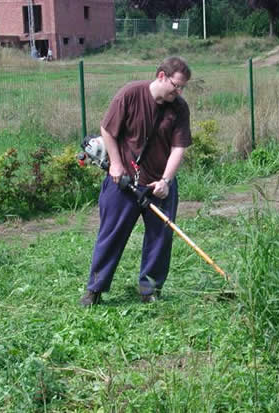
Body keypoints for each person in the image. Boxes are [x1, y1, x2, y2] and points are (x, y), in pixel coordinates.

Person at [80, 56, 192, 306]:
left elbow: (178, 148)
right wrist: (117, 165)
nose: (179, 91)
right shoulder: (130, 94)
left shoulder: (179, 108)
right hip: (123, 183)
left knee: (159, 239)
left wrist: (166, 181)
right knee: (111, 235)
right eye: (177, 85)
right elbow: (107, 130)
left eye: (183, 87)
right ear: (161, 76)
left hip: (158, 186)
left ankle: (149, 290)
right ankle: (95, 289)